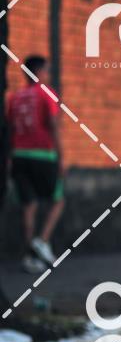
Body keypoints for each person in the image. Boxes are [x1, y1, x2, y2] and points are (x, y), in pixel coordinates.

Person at [6, 55, 65, 273]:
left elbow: (10, 129)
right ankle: (42, 241)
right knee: (57, 200)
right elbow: (53, 125)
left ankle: (30, 256)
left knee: (28, 206)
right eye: (47, 70)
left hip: (19, 156)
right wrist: (61, 157)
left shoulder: (14, 98)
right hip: (43, 156)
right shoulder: (46, 93)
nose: (48, 74)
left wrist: (10, 158)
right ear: (39, 72)